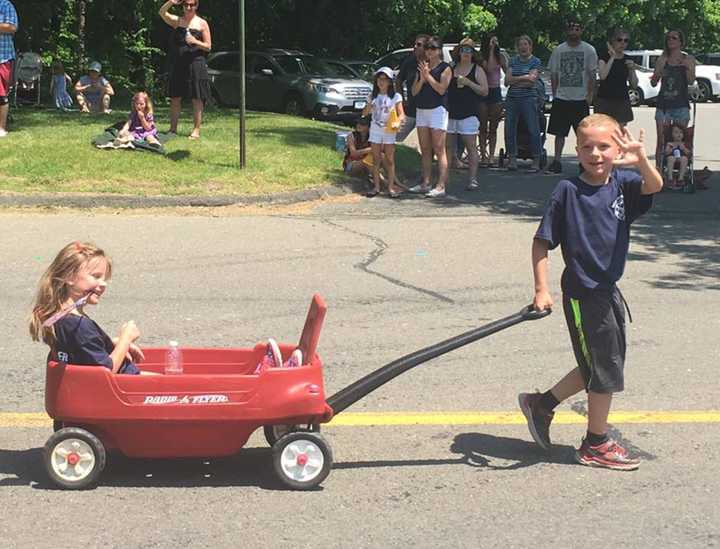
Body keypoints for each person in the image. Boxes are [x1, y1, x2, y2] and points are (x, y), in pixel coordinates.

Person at [519, 113, 662, 470]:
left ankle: (541, 404)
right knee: (605, 367)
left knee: (600, 364)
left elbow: (656, 185)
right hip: (584, 293)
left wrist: (641, 158)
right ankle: (595, 444)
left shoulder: (624, 184)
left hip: (609, 290)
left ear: (617, 148)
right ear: (576, 150)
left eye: (604, 146)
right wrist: (542, 290)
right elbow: (541, 244)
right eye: (587, 147)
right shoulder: (568, 191)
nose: (596, 154)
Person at [29, 242, 145, 376]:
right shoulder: (79, 325)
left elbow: (77, 348)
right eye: (96, 276)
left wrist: (110, 344)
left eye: (105, 278)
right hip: (120, 387)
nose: (103, 283)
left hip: (106, 384)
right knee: (172, 386)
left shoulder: (58, 318)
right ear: (69, 277)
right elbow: (105, 372)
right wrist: (126, 338)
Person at [546, 18, 598, 174]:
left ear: (581, 30)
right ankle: (556, 161)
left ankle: (584, 163)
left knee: (582, 135)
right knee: (559, 133)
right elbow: (554, 73)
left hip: (580, 99)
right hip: (562, 98)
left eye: (577, 28)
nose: (574, 31)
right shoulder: (559, 50)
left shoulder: (589, 50)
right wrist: (556, 94)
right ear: (567, 31)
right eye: (571, 28)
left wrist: (590, 95)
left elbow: (592, 74)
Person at [159, 0, 212, 140]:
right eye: (186, 5)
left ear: (197, 5)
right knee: (175, 97)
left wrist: (195, 42)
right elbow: (162, 13)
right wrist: (171, 1)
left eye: (192, 5)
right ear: (182, 6)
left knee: (197, 97)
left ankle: (196, 130)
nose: (189, 7)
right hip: (179, 64)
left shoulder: (202, 23)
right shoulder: (177, 21)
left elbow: (208, 46)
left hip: (196, 64)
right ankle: (173, 128)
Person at [409, 35, 452, 198]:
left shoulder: (445, 68)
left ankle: (441, 185)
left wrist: (428, 77)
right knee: (425, 149)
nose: (429, 51)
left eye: (433, 48)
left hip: (437, 110)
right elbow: (414, 91)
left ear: (439, 50)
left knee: (439, 148)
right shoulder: (422, 66)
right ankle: (425, 182)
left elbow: (441, 89)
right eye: (427, 48)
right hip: (422, 109)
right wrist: (421, 78)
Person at [446, 38, 488, 189]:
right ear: (458, 52)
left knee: (471, 146)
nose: (466, 53)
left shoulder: (477, 69)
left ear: (473, 53)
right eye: (463, 50)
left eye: (469, 50)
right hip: (451, 113)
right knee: (448, 147)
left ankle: (472, 179)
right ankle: (445, 179)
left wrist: (469, 83)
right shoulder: (451, 68)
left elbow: (484, 91)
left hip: (469, 113)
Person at [650, 30, 696, 168]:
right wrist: (658, 74)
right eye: (668, 38)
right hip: (663, 105)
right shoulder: (662, 59)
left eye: (674, 38)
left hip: (681, 104)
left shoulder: (688, 59)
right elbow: (653, 83)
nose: (670, 40)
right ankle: (659, 171)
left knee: (679, 140)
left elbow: (691, 81)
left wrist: (688, 68)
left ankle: (678, 172)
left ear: (681, 42)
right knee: (662, 140)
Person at [362, 67, 405, 198]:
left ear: (390, 82)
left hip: (389, 130)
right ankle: (376, 187)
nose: (381, 82)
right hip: (376, 129)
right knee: (376, 159)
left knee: (390, 159)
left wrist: (398, 121)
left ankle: (391, 187)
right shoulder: (372, 96)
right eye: (379, 79)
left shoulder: (395, 96)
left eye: (385, 79)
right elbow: (364, 113)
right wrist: (369, 105)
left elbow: (401, 114)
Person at [503, 35, 543, 172]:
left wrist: (518, 79)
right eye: (520, 45)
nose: (523, 47)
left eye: (525, 44)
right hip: (512, 98)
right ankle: (512, 158)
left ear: (530, 46)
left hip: (529, 98)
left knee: (533, 128)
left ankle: (536, 158)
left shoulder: (536, 61)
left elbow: (532, 80)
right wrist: (524, 77)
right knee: (509, 128)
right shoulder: (513, 61)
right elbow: (507, 81)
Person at [595, 29, 638, 126]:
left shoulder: (628, 59)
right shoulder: (604, 57)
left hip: (622, 100)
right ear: (612, 41)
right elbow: (602, 76)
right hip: (604, 99)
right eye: (619, 40)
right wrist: (612, 57)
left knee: (620, 132)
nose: (622, 43)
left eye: (626, 40)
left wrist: (632, 70)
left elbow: (634, 85)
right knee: (603, 131)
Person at [479, 34, 508, 167]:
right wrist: (490, 51)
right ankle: (483, 155)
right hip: (484, 91)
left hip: (496, 91)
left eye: (496, 41)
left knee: (493, 127)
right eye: (492, 41)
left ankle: (491, 155)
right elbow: (489, 69)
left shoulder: (500, 57)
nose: (495, 43)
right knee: (483, 126)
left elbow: (507, 71)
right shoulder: (482, 57)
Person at [395, 34, 429, 144]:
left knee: (426, 144)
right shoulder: (409, 62)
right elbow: (398, 80)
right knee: (396, 139)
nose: (415, 47)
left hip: (427, 111)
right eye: (415, 44)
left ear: (427, 48)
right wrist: (401, 99)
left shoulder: (433, 64)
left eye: (419, 45)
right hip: (410, 109)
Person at [0, 0, 18, 138]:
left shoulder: (5, 5)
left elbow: (12, 28)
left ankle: (1, 128)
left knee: (0, 95)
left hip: (2, 57)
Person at [343, 116, 373, 185]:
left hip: (366, 166)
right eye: (358, 123)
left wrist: (373, 150)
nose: (359, 125)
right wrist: (371, 149)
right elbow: (353, 153)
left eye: (363, 124)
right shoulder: (351, 135)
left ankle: (393, 182)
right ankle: (387, 184)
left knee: (381, 156)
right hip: (351, 165)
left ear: (369, 127)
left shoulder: (372, 137)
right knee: (365, 162)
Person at [663, 124, 690, 188]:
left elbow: (688, 153)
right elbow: (666, 153)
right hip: (671, 159)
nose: (679, 134)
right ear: (671, 134)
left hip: (681, 158)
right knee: (671, 158)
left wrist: (683, 148)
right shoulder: (669, 144)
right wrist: (671, 148)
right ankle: (670, 178)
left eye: (681, 132)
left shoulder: (684, 143)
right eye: (676, 132)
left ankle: (680, 178)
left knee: (684, 158)